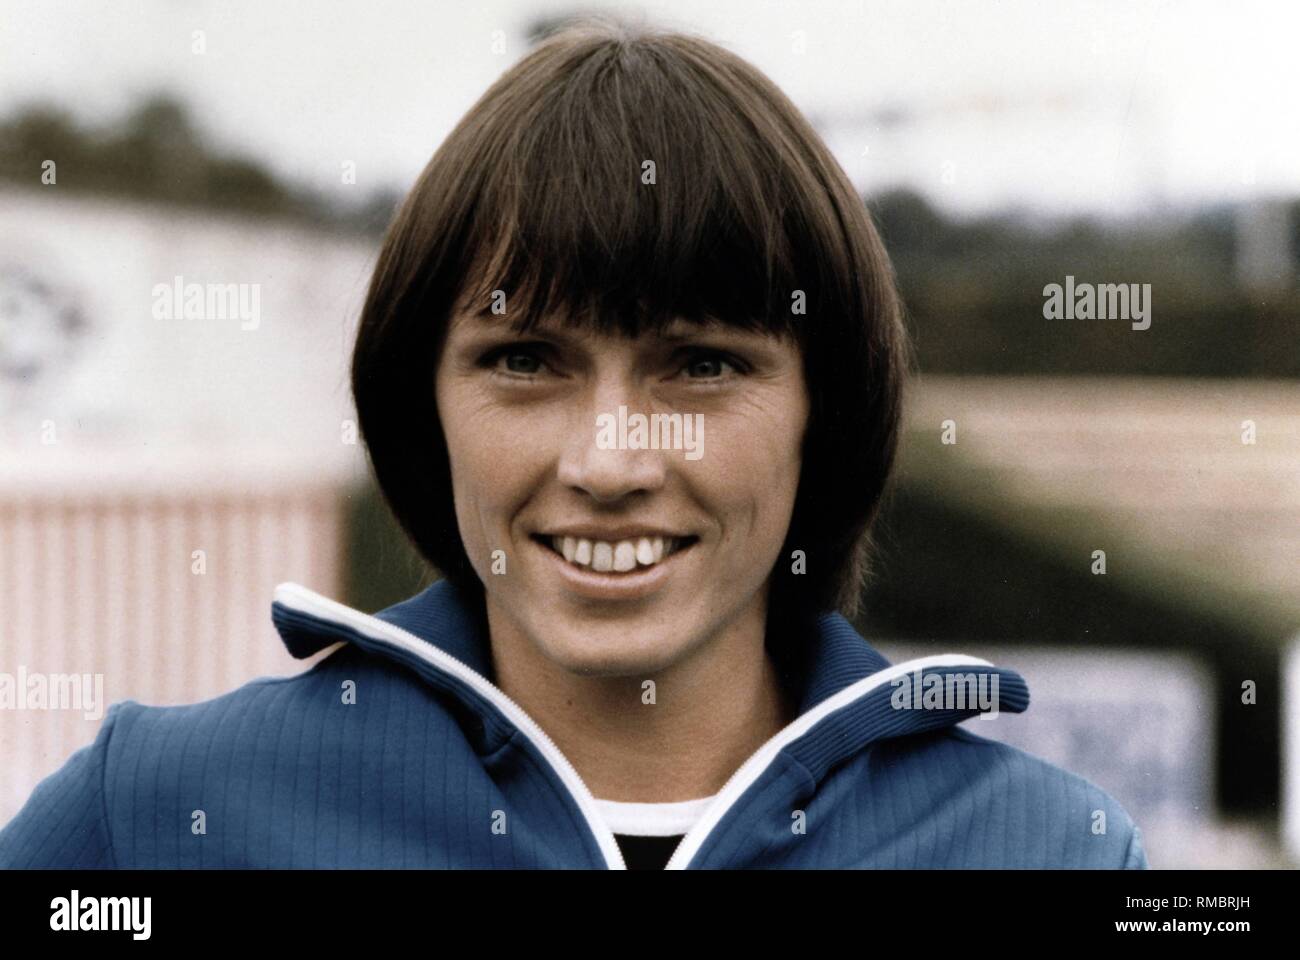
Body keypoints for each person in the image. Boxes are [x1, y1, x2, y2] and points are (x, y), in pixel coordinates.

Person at [0, 15, 1147, 869]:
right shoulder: (154, 815)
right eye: (524, 361)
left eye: (701, 364)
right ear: (421, 401)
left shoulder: (1047, 852)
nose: (609, 462)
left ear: (825, 408)